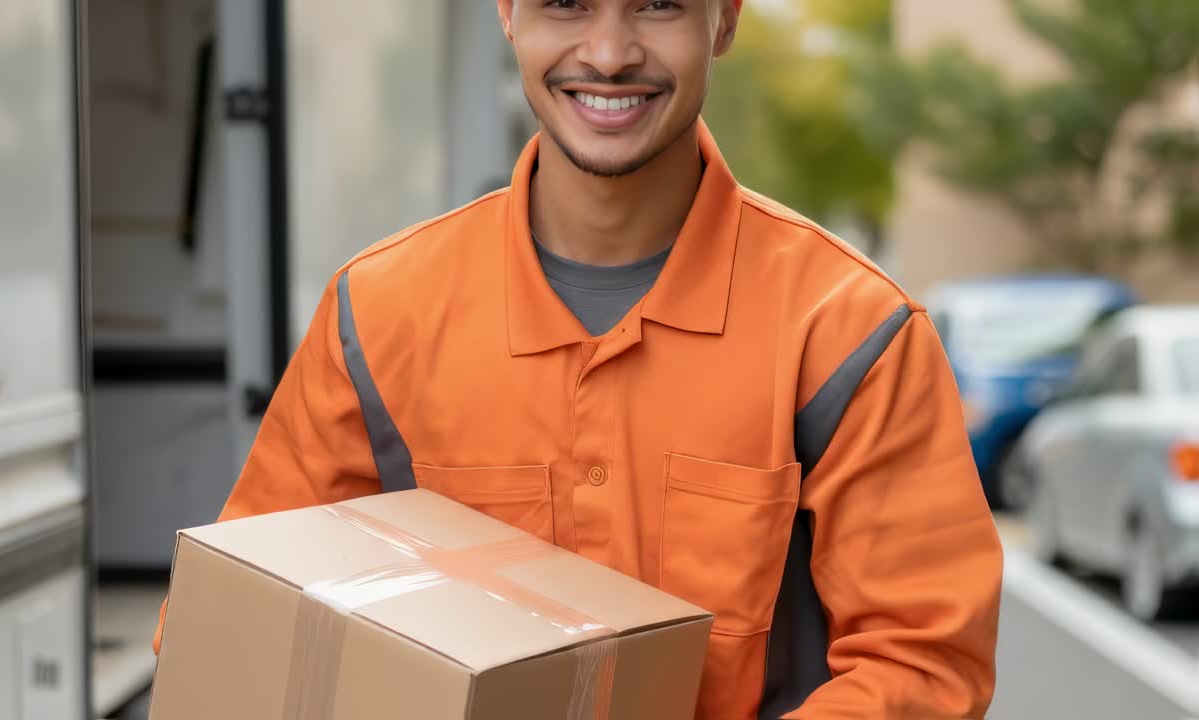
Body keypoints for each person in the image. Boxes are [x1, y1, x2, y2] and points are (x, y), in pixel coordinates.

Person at [155, 1, 1003, 717]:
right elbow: (244, 619)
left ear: (727, 18)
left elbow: (923, 664)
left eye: (659, 2)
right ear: (507, 11)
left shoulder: (850, 331)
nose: (608, 52)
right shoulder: (377, 314)